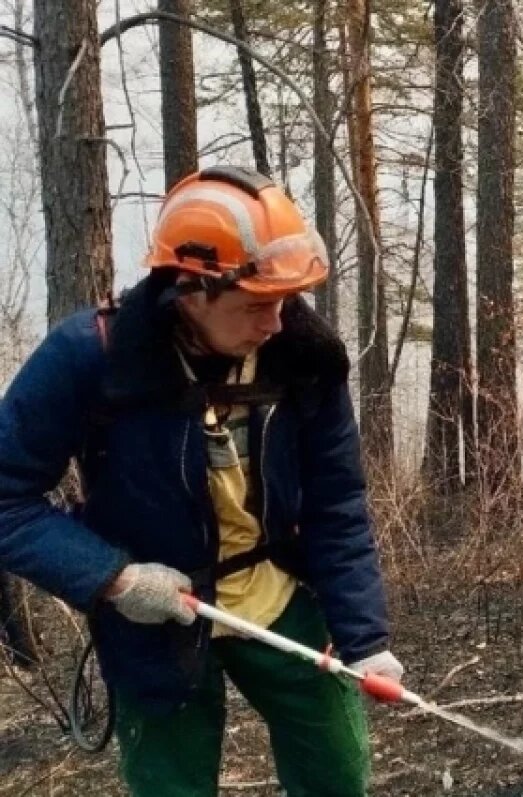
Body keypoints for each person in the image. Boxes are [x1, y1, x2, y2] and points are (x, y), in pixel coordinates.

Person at [0, 166, 402, 797]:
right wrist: (113, 577)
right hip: (155, 614)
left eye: (285, 300)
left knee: (337, 772)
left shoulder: (306, 356)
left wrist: (365, 637)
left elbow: (337, 501)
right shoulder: (91, 357)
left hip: (278, 596)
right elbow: (6, 499)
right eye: (255, 306)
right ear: (191, 291)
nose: (275, 323)